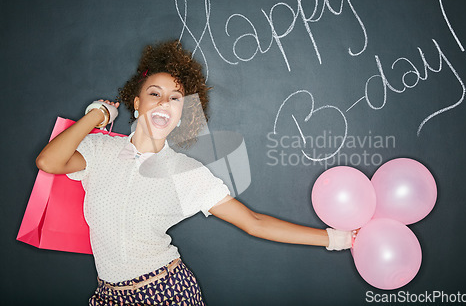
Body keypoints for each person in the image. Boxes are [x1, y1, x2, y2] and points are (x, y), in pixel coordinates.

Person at [36, 40, 355, 305]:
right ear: (137, 102)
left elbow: (254, 222)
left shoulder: (186, 172)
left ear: (180, 114)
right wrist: (97, 115)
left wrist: (335, 239)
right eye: (154, 93)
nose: (164, 103)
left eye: (175, 98)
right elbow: (48, 162)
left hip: (165, 293)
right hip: (109, 296)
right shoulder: (98, 150)